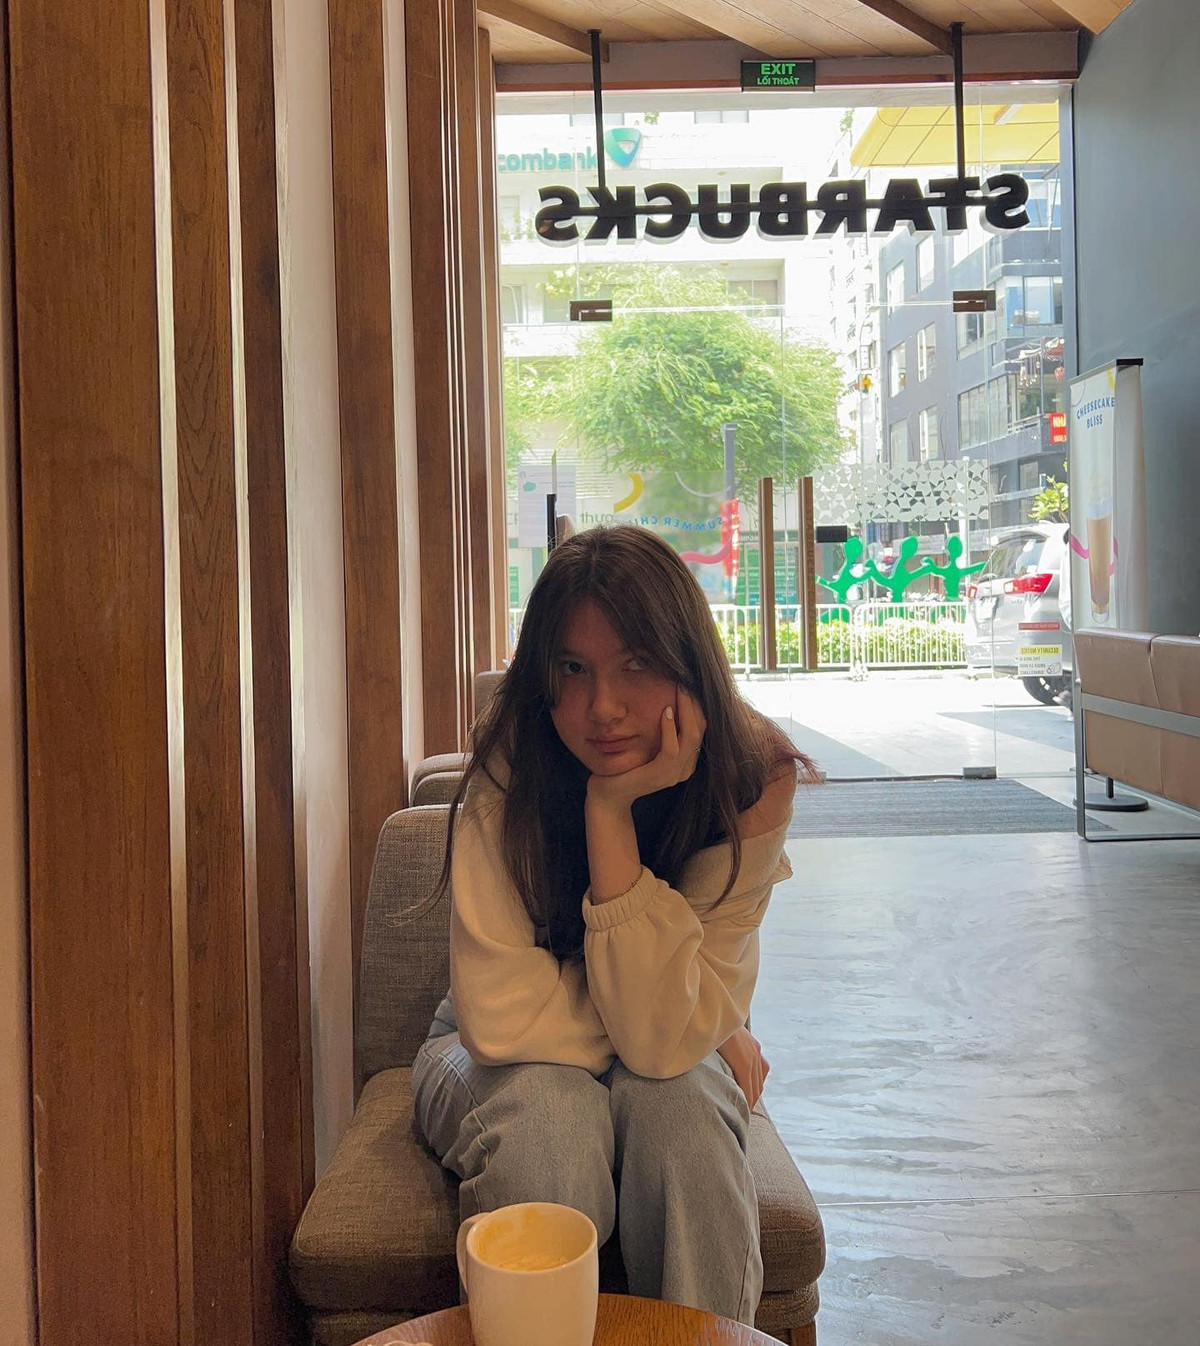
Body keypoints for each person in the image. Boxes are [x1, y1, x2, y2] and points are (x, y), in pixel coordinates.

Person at [411, 525, 815, 1326]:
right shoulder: (512, 761)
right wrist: (705, 1026)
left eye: (636, 664)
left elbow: (664, 1050)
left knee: (683, 1116)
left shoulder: (751, 778)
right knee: (551, 1125)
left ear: (689, 662)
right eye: (573, 668)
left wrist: (610, 816)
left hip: (651, 1040)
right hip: (478, 1044)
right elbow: (500, 1022)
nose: (602, 707)